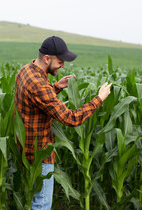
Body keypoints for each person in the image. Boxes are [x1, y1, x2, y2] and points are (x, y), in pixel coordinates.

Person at [14, 36, 112, 210]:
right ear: (47, 58)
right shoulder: (39, 85)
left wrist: (56, 87)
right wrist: (99, 99)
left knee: (35, 201)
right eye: (60, 61)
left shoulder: (25, 71)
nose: (63, 66)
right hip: (40, 155)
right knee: (41, 205)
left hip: (26, 149)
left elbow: (36, 99)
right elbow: (71, 119)